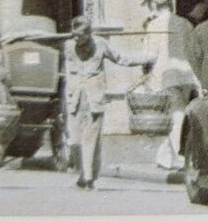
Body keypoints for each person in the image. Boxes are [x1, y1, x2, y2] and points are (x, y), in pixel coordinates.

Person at [64, 15, 155, 190]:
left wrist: (147, 59)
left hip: (94, 99)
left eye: (80, 35)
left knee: (91, 139)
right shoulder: (68, 47)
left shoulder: (100, 45)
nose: (76, 39)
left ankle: (88, 178)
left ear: (89, 33)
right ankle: (83, 173)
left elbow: (122, 58)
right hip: (74, 99)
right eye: (73, 35)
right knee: (75, 140)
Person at [142, 0, 198, 170]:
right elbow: (194, 51)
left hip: (165, 76)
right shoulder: (185, 24)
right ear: (171, 4)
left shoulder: (153, 26)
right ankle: (164, 155)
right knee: (177, 116)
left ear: (156, 6)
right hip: (186, 75)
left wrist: (145, 75)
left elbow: (149, 55)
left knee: (175, 117)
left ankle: (173, 157)